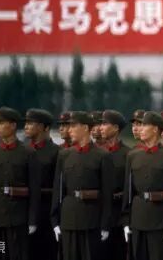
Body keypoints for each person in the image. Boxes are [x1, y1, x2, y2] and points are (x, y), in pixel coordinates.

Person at [0, 107, 41, 260]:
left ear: (13, 126)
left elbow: (35, 190)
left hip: (19, 217)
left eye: (2, 123)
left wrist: (32, 220)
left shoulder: (28, 153)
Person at [51, 111, 114, 260]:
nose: (69, 130)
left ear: (85, 128)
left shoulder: (102, 156)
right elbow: (58, 189)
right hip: (68, 219)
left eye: (73, 126)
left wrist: (105, 225)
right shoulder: (64, 155)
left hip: (91, 220)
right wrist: (54, 220)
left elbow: (107, 194)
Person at [123, 111, 163, 260]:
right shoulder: (133, 156)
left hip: (159, 220)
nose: (139, 129)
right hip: (137, 219)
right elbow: (128, 191)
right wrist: (126, 221)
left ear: (155, 129)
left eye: (144, 125)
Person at [24, 108, 59, 260]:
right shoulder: (22, 150)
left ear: (45, 127)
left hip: (45, 214)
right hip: (22, 212)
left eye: (31, 123)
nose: (26, 126)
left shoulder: (57, 152)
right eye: (26, 123)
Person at [99, 110, 131, 260]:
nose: (101, 127)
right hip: (98, 214)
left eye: (105, 124)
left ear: (116, 128)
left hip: (118, 215)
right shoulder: (97, 152)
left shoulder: (128, 154)